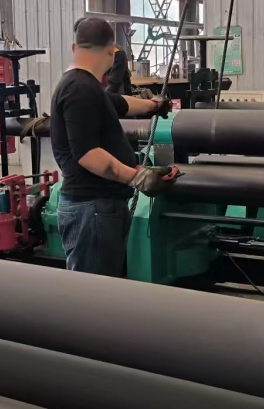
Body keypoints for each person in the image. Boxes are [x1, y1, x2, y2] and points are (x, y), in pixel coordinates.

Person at [51, 17, 177, 276]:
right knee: (95, 293)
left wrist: (154, 105)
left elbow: (119, 103)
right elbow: (88, 155)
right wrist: (138, 177)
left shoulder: (85, 86)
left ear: (75, 48)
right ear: (111, 52)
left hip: (98, 209)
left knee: (106, 288)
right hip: (92, 209)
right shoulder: (80, 89)